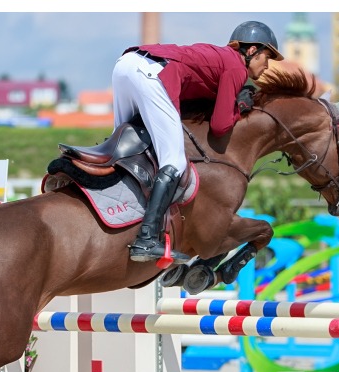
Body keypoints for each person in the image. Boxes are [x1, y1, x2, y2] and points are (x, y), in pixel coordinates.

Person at [113, 21, 284, 263]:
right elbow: (220, 126)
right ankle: (146, 239)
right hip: (150, 72)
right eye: (267, 57)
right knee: (173, 160)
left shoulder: (222, 59)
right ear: (252, 50)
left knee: (124, 148)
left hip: (126, 65)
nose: (267, 66)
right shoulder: (236, 67)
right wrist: (241, 107)